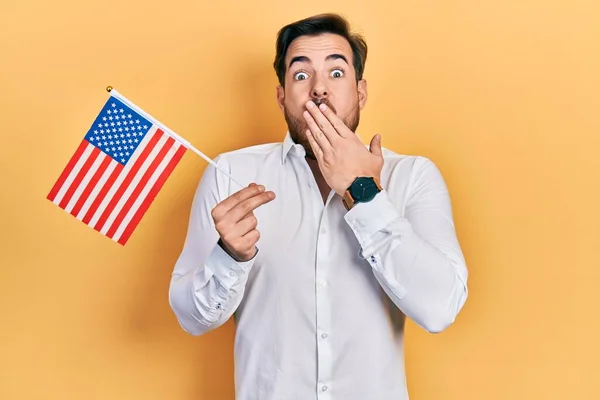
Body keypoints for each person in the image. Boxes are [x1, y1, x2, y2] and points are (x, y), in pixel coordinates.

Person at [169, 13, 468, 400]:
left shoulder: (412, 176)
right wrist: (229, 255)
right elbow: (192, 319)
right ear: (281, 97)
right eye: (300, 75)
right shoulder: (230, 174)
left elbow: (439, 308)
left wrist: (363, 192)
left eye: (337, 73)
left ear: (361, 93)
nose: (319, 89)